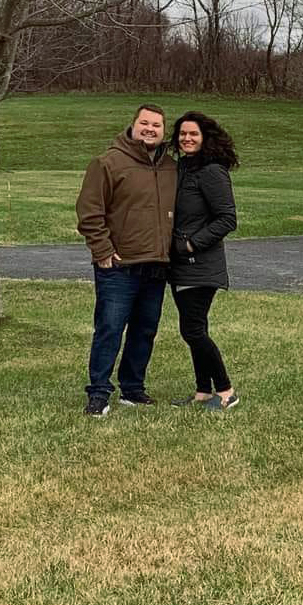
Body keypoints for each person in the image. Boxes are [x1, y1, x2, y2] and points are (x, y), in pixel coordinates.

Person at [76, 103, 177, 417]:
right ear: (133, 126)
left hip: (156, 266)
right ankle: (99, 393)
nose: (150, 129)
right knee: (109, 328)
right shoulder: (108, 163)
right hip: (119, 267)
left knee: (145, 330)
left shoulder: (171, 168)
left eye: (157, 125)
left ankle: (132, 389)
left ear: (163, 132)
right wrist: (103, 251)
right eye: (145, 123)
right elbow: (89, 212)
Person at [167, 110, 240, 411]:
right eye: (183, 134)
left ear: (205, 137)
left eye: (193, 134)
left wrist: (190, 244)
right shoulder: (184, 169)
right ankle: (202, 391)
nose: (187, 138)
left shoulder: (211, 171)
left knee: (193, 330)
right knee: (195, 328)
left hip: (200, 265)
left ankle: (226, 391)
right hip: (181, 265)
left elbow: (227, 219)